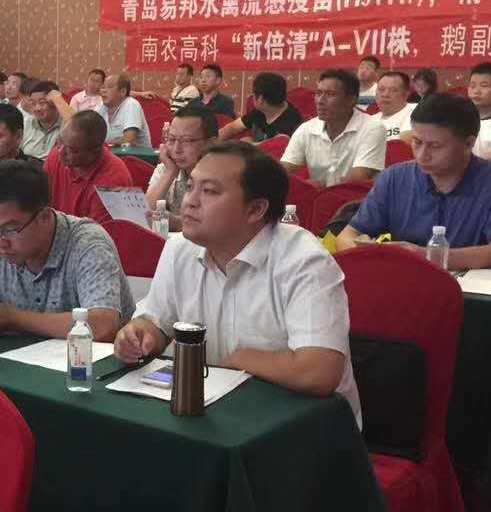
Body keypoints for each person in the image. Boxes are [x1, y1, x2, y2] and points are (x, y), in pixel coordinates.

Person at [115, 141, 361, 422]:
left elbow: (318, 372)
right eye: (191, 187)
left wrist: (238, 359)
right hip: (218, 411)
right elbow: (157, 323)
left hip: (303, 427)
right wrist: (139, 336)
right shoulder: (179, 248)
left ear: (255, 209)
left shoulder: (304, 262)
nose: (190, 201)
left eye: (209, 191)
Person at [0, 161, 133, 342]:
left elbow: (102, 325)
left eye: (11, 229)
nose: (0, 243)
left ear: (44, 217)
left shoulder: (88, 244)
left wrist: (15, 319)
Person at [337, 94, 491, 269]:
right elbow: (346, 236)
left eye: (435, 146)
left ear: (468, 143)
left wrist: (424, 256)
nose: (422, 155)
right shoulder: (395, 178)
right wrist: (368, 252)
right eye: (417, 142)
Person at [280, 69, 386, 186]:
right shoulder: (306, 129)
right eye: (318, 93)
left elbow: (357, 180)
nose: (320, 101)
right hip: (318, 195)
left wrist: (312, 186)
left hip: (356, 196)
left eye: (330, 94)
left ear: (351, 100)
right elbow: (283, 170)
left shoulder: (372, 128)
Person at [43, 110, 133, 223]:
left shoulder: (114, 179)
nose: (60, 151)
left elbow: (100, 232)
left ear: (94, 151)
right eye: (60, 141)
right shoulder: (55, 158)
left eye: (72, 150)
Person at [146, 105, 217, 231]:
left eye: (186, 141)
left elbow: (221, 225)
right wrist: (170, 172)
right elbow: (144, 214)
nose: (176, 149)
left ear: (211, 143)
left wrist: (179, 223)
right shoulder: (166, 167)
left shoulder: (222, 176)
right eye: (171, 139)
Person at [219, 73, 304, 142]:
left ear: (260, 99)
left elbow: (276, 148)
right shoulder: (260, 112)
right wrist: (214, 141)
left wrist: (251, 145)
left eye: (253, 93)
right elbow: (231, 128)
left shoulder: (292, 122)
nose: (251, 96)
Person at [94, 73, 151, 147]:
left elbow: (128, 140)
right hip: (111, 153)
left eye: (109, 87)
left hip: (134, 154)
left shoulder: (131, 104)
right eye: (103, 87)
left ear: (123, 91)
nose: (103, 91)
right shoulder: (100, 107)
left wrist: (101, 143)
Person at [21, 81, 64, 159]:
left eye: (42, 103)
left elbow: (78, 125)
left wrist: (58, 101)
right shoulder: (26, 123)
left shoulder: (66, 124)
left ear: (53, 103)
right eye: (33, 104)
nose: (37, 108)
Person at [135, 63, 200, 115]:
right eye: (177, 74)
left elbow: (186, 111)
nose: (178, 77)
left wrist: (169, 115)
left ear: (189, 76)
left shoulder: (192, 91)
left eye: (181, 74)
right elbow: (171, 107)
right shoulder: (175, 89)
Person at [371, 71, 416, 141]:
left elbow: (409, 139)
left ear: (406, 94)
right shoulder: (369, 121)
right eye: (381, 89)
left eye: (393, 90)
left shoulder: (416, 111)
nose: (385, 94)